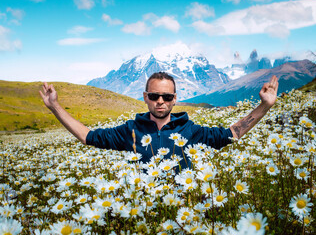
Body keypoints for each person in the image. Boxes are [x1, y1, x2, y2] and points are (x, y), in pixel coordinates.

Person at [40, 72, 279, 169]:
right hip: (145, 211)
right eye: (154, 96)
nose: (160, 101)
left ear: (175, 99)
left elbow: (232, 133)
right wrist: (55, 107)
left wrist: (264, 106)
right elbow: (88, 136)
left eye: (166, 96)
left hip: (186, 211)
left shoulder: (190, 130)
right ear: (146, 97)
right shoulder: (130, 130)